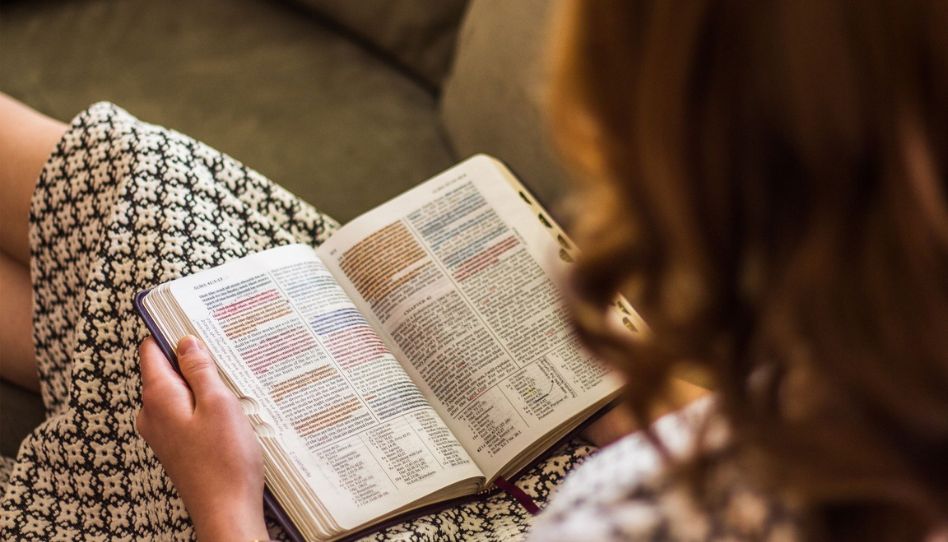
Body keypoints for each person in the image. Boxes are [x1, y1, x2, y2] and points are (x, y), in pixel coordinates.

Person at [2, 0, 946, 540]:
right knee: (162, 275)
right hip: (519, 476)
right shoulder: (894, 376)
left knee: (160, 284)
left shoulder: (637, 517)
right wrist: (640, 393)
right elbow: (772, 426)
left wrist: (222, 502)